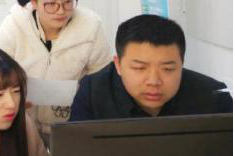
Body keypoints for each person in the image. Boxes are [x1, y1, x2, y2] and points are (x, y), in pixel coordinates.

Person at [0, 0, 111, 144]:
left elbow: (103, 79)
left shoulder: (90, 27)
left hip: (73, 123)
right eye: (51, 3)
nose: (61, 10)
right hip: (22, 123)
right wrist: (14, 98)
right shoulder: (14, 25)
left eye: (68, 1)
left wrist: (84, 95)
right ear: (33, 2)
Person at [70, 14, 234, 121]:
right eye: (139, 68)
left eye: (167, 69)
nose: (154, 81)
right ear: (118, 65)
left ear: (181, 63)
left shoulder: (214, 98)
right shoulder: (92, 93)